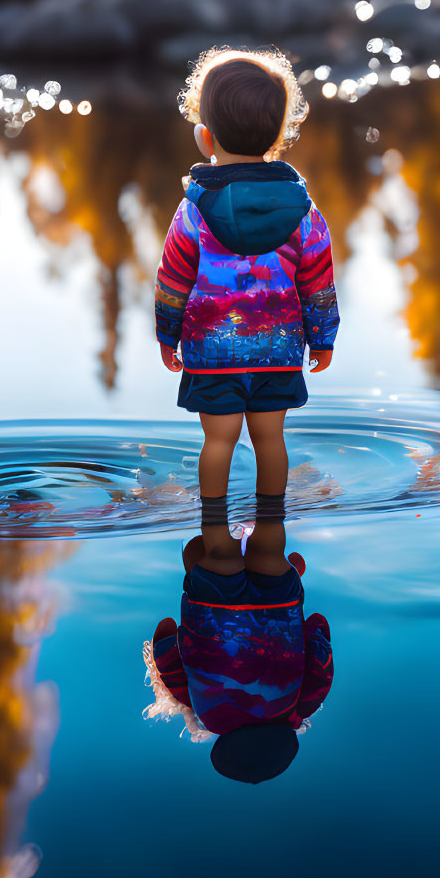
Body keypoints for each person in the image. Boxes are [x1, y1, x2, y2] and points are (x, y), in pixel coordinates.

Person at [153, 47, 340, 522]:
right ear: (278, 137)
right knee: (271, 440)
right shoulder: (303, 210)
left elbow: (172, 278)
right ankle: (272, 536)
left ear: (205, 137)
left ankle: (214, 530)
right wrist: (323, 338)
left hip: (212, 354)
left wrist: (166, 333)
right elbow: (318, 279)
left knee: (218, 441)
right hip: (278, 352)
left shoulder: (194, 210)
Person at [143, 494, 334, 784]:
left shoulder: (298, 707)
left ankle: (287, 569)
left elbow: (320, 643)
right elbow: (166, 643)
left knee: (271, 547)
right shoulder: (209, 716)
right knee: (199, 549)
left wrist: (308, 627)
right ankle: (202, 497)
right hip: (211, 604)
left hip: (277, 604)